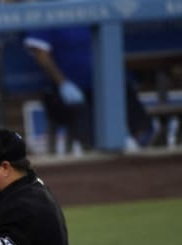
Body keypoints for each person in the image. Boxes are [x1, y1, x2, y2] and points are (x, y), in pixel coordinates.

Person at [24, 24, 154, 154]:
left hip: (99, 85)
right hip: (62, 91)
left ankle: (141, 143)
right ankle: (97, 151)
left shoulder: (94, 10)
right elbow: (41, 54)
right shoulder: (49, 14)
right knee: (81, 113)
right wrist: (63, 84)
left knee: (123, 91)